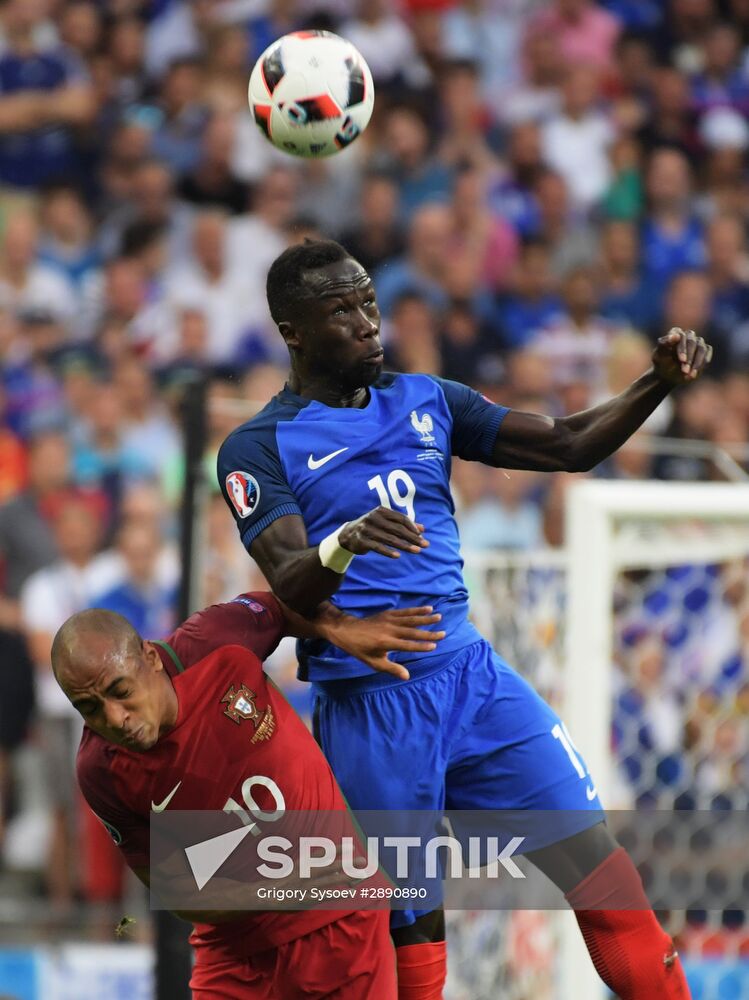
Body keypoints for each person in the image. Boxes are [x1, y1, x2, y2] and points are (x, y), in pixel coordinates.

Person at [217, 239, 712, 1000]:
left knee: (603, 874)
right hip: (369, 706)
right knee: (412, 936)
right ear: (292, 329)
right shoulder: (256, 447)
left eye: (368, 302)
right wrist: (346, 541)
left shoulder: (427, 399)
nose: (366, 322)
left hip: (473, 678)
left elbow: (568, 444)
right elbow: (288, 577)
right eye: (340, 310)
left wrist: (655, 382)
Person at [52, 592, 446, 998]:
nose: (114, 718)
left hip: (337, 919)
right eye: (90, 709)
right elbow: (175, 888)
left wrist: (340, 628)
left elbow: (280, 607)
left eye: (121, 691)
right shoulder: (101, 771)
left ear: (150, 658)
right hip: (231, 955)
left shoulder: (212, 641)